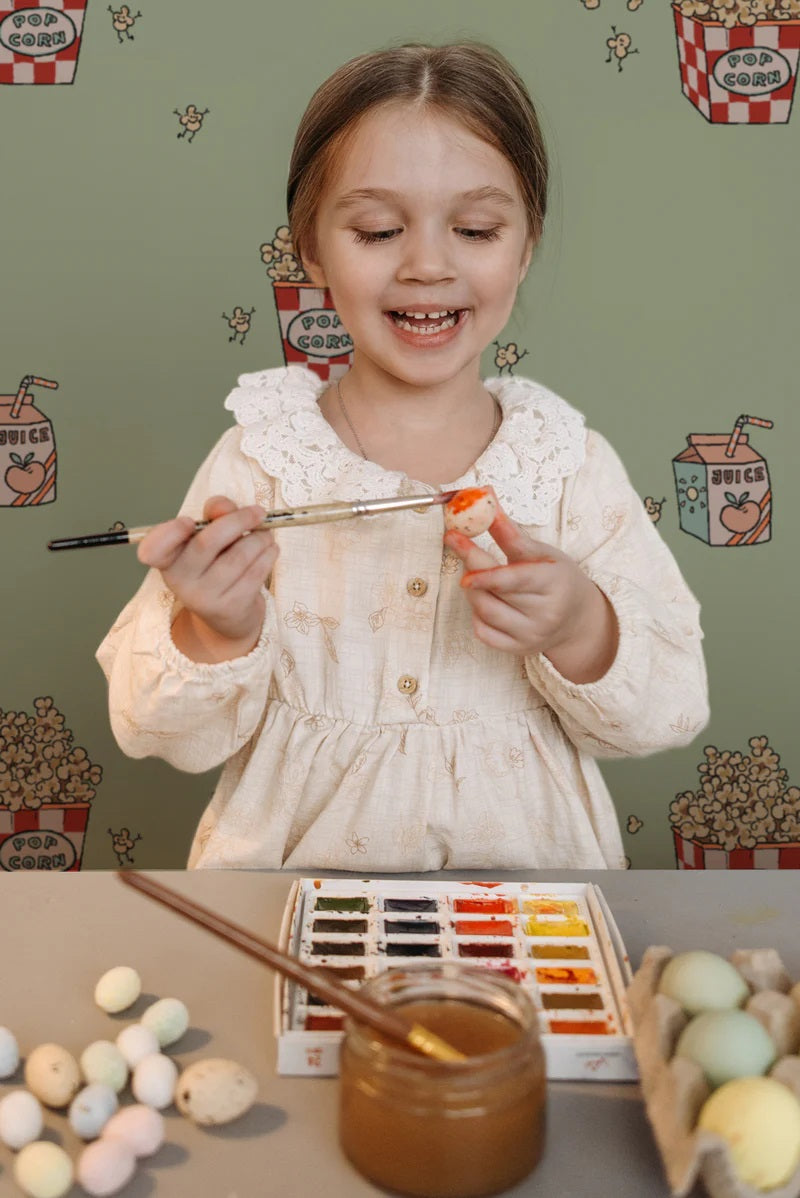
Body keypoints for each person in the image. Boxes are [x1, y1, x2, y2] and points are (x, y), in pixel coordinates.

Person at [97, 41, 709, 871]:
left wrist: (577, 623)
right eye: (379, 229)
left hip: (524, 910)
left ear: (525, 247)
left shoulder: (567, 464)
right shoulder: (264, 457)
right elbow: (156, 729)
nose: (427, 265)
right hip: (289, 900)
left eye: (477, 229)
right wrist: (216, 625)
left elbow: (668, 710)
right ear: (311, 248)